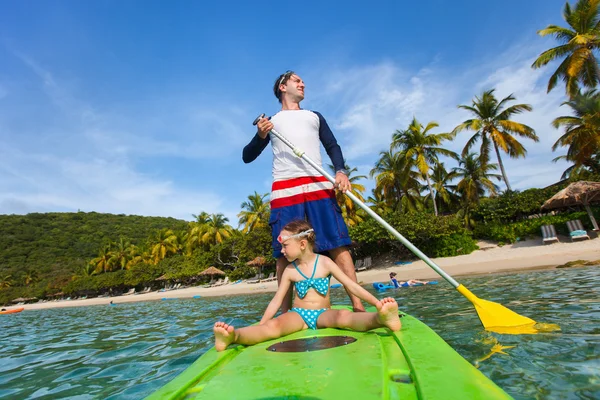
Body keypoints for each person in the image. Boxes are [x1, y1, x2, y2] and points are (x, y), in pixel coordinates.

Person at [243, 70, 365, 312]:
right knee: (282, 253)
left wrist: (340, 171)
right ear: (282, 86)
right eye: (297, 80)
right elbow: (247, 156)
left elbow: (332, 145)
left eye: (302, 81)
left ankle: (358, 306)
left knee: (337, 244)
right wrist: (260, 135)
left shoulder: (314, 116)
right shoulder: (271, 122)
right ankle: (286, 315)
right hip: (285, 191)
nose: (303, 84)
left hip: (318, 185)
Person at [213, 220, 401, 351]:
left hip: (323, 314)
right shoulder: (290, 270)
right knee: (274, 327)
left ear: (302, 244)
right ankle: (233, 336)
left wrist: (377, 303)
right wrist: (262, 325)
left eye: (285, 245)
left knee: (344, 317)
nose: (282, 250)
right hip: (299, 316)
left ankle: (381, 319)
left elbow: (352, 286)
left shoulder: (325, 263)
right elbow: (276, 301)